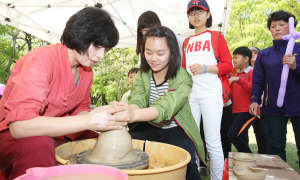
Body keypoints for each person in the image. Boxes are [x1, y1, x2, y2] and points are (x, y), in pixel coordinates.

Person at [0, 7, 129, 180]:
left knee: (96, 139)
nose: (101, 56)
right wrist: (89, 120)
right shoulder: (41, 62)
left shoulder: (86, 72)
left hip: (54, 132)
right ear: (80, 34)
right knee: (40, 145)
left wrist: (103, 115)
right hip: (10, 135)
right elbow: (19, 127)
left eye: (105, 50)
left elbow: (81, 111)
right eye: (98, 47)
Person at [114, 26, 205, 180]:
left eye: (160, 53)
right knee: (122, 154)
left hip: (176, 129)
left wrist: (132, 114)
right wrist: (126, 110)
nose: (153, 58)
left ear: (172, 52)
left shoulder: (182, 77)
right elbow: (138, 100)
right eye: (148, 52)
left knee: (188, 167)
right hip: (148, 126)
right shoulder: (142, 75)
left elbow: (165, 107)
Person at [182, 0, 233, 179]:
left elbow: (228, 65)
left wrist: (205, 68)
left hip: (211, 95)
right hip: (190, 97)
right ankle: (194, 175)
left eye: (200, 11)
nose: (196, 15)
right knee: (192, 141)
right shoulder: (186, 41)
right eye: (192, 12)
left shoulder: (216, 36)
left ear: (208, 14)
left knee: (212, 141)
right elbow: (182, 70)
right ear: (188, 16)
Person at [249, 10, 300, 162]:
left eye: (281, 25)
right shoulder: (264, 54)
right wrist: (255, 100)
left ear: (291, 27)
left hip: (298, 104)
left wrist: (296, 67)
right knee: (276, 147)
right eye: (273, 26)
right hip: (273, 107)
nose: (277, 29)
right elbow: (258, 80)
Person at [228, 46, 259, 153]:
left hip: (247, 111)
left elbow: (254, 90)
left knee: (233, 135)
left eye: (236, 57)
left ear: (246, 59)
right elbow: (232, 95)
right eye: (233, 57)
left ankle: (250, 157)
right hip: (235, 111)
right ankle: (246, 163)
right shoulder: (235, 75)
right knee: (242, 138)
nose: (234, 60)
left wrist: (239, 80)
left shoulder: (252, 72)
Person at [249, 46, 270, 154]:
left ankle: (266, 153)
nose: (253, 55)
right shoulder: (245, 71)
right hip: (251, 106)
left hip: (263, 106)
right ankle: (261, 153)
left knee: (265, 132)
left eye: (255, 53)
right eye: (251, 53)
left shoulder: (265, 69)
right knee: (257, 131)